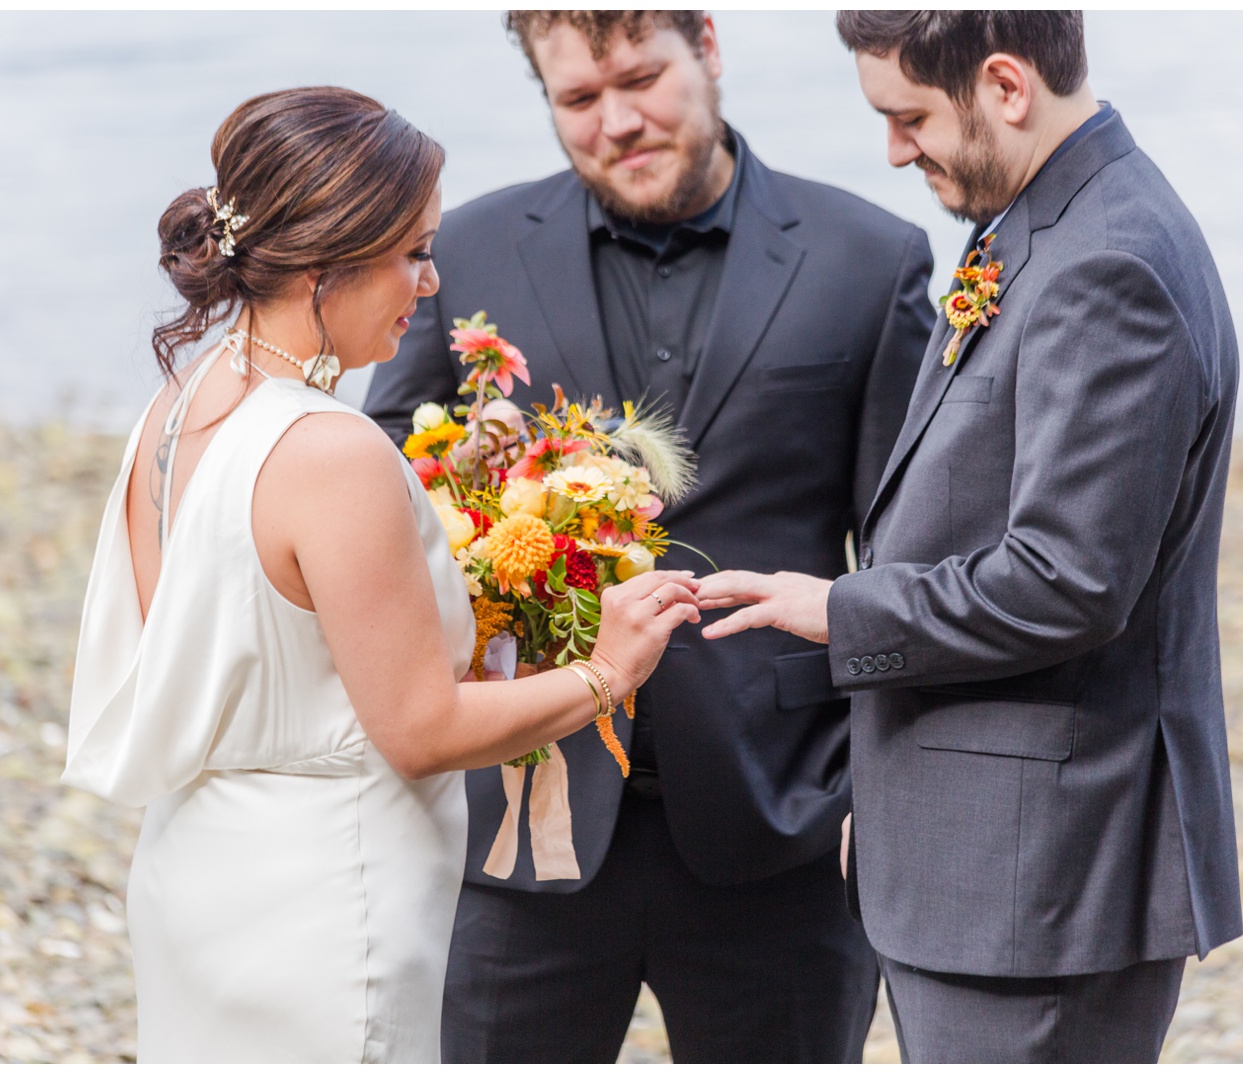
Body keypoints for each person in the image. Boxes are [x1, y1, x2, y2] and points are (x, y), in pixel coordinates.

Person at [61, 86, 700, 1063]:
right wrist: (605, 671)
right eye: (412, 250)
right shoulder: (331, 451)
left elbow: (238, 637)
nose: (431, 282)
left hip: (200, 871)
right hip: (326, 897)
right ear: (327, 259)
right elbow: (419, 730)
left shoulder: (182, 406)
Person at [363, 10, 936, 1064]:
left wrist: (877, 795)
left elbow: (907, 551)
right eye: (578, 100)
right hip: (517, 820)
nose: (617, 120)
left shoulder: (871, 258)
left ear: (707, 49)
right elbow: (380, 489)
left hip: (781, 828)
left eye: (641, 79)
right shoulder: (466, 251)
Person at [695, 10, 1242, 1064]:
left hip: (1039, 882)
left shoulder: (1105, 264)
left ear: (1003, 85)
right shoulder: (1050, 221)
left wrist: (834, 607)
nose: (895, 150)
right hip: (985, 861)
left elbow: (1067, 580)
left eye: (908, 117)